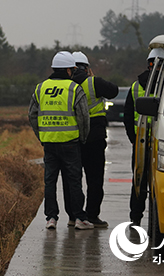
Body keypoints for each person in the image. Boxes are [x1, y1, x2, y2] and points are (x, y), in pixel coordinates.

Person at [28, 51, 92, 230]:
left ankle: (51, 218)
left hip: (49, 143)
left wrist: (41, 135)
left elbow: (31, 114)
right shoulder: (74, 88)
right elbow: (83, 117)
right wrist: (83, 138)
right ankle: (79, 218)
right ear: (69, 70)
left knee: (50, 181)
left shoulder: (40, 88)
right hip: (71, 143)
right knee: (74, 181)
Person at [62, 51, 119, 229]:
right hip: (94, 138)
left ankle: (73, 216)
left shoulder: (65, 85)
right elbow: (114, 91)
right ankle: (92, 215)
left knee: (72, 178)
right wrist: (93, 78)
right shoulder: (94, 82)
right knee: (94, 179)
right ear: (87, 68)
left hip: (72, 137)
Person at [123, 47, 164, 226]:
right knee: (160, 182)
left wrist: (134, 139)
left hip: (140, 142)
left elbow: (126, 116)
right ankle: (158, 218)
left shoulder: (135, 86)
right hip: (161, 142)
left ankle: (135, 217)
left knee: (139, 180)